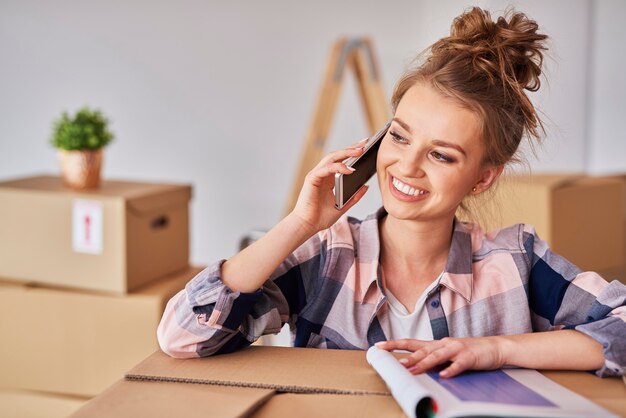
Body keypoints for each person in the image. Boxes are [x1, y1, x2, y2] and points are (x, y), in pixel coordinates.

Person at [157, 7, 626, 378]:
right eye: (399, 137)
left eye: (441, 155)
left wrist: (497, 349)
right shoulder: (329, 257)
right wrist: (300, 223)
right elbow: (183, 337)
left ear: (483, 178)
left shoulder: (515, 261)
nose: (407, 165)